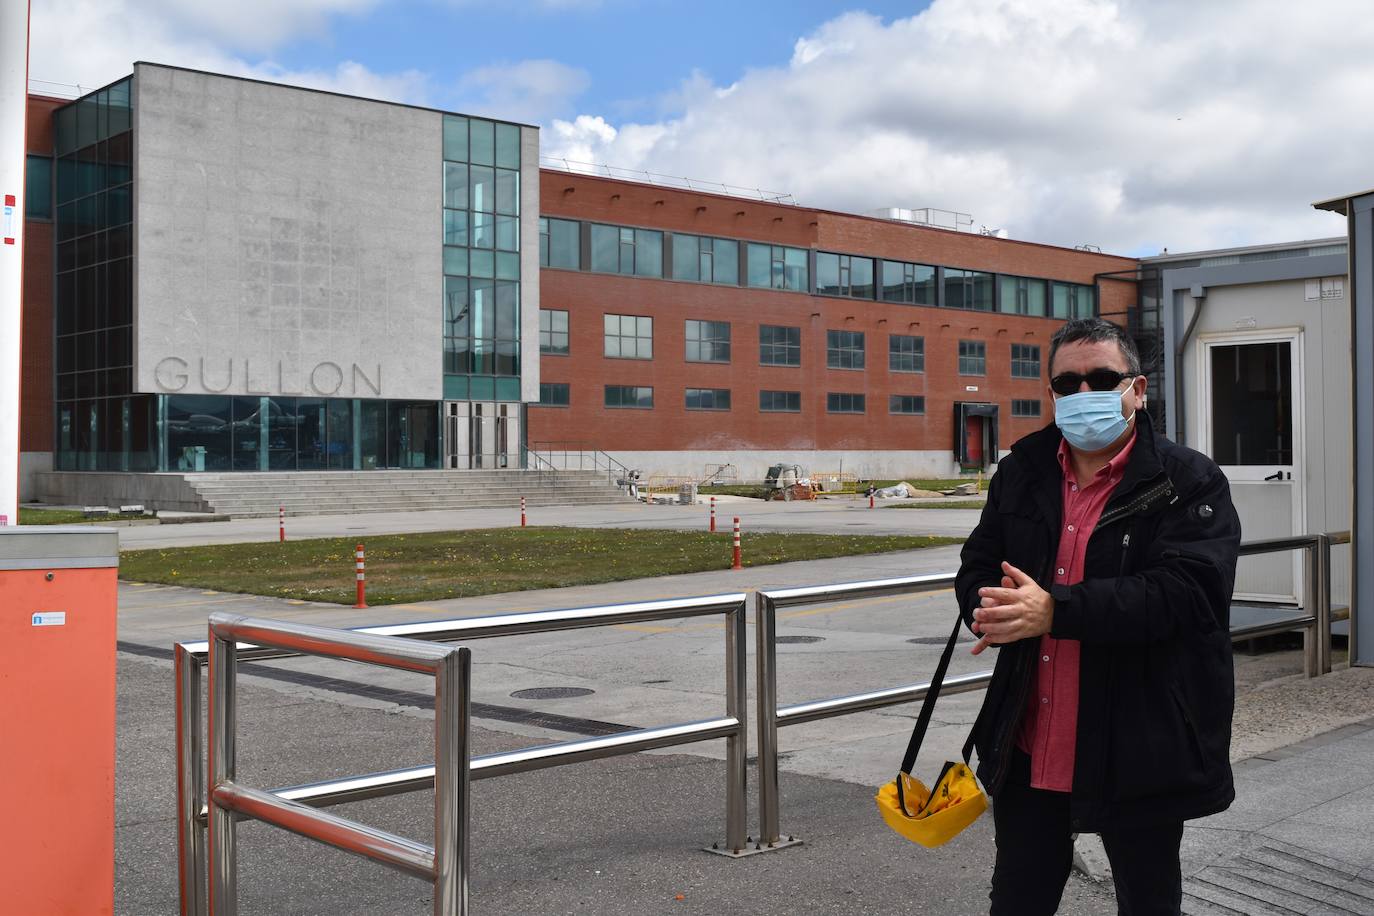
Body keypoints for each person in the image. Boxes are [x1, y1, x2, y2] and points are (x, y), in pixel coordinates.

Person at [955, 317, 1241, 914]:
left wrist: (1054, 611)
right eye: (1068, 384)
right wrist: (990, 609)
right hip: (1031, 740)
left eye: (1102, 379)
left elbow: (1189, 593)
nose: (1084, 395)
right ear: (1051, 394)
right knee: (1017, 900)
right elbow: (980, 560)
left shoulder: (1186, 479)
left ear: (1137, 390)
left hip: (1137, 742)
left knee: (1148, 900)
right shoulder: (1023, 469)